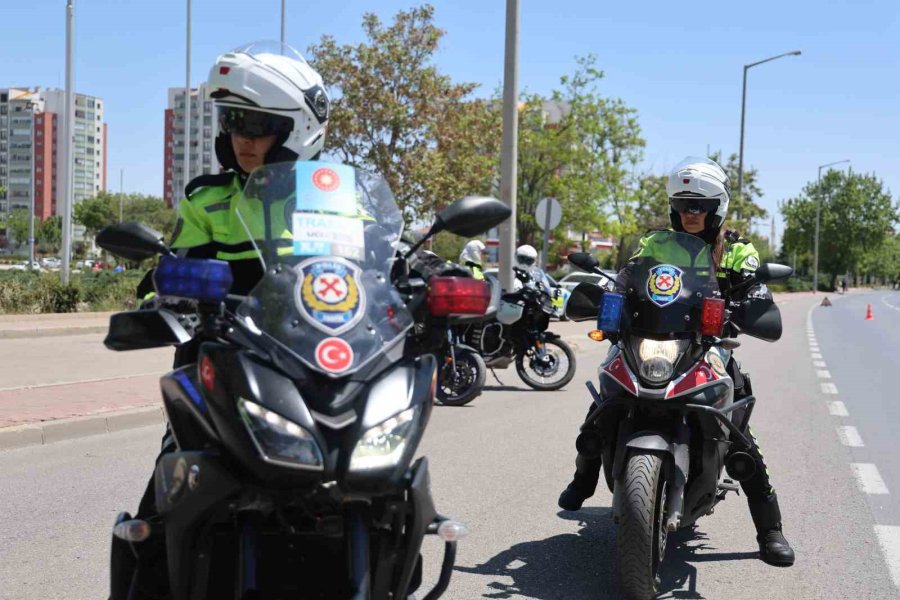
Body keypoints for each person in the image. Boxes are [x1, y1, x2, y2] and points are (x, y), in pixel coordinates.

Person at [123, 41, 330, 597]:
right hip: (222, 364)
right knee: (166, 495)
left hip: (320, 367)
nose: (243, 137)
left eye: (258, 123)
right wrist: (165, 290)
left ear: (296, 129)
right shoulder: (207, 200)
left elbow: (382, 264)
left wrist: (426, 278)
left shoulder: (336, 199)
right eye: (234, 120)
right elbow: (178, 269)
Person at [556, 157, 795, 567]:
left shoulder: (737, 250)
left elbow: (753, 290)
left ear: (716, 208)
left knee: (740, 432)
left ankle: (769, 529)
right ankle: (584, 476)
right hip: (650, 339)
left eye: (699, 206)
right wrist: (605, 296)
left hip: (706, 346)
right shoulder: (656, 244)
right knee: (603, 402)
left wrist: (748, 304)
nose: (690, 213)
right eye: (684, 204)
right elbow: (628, 278)